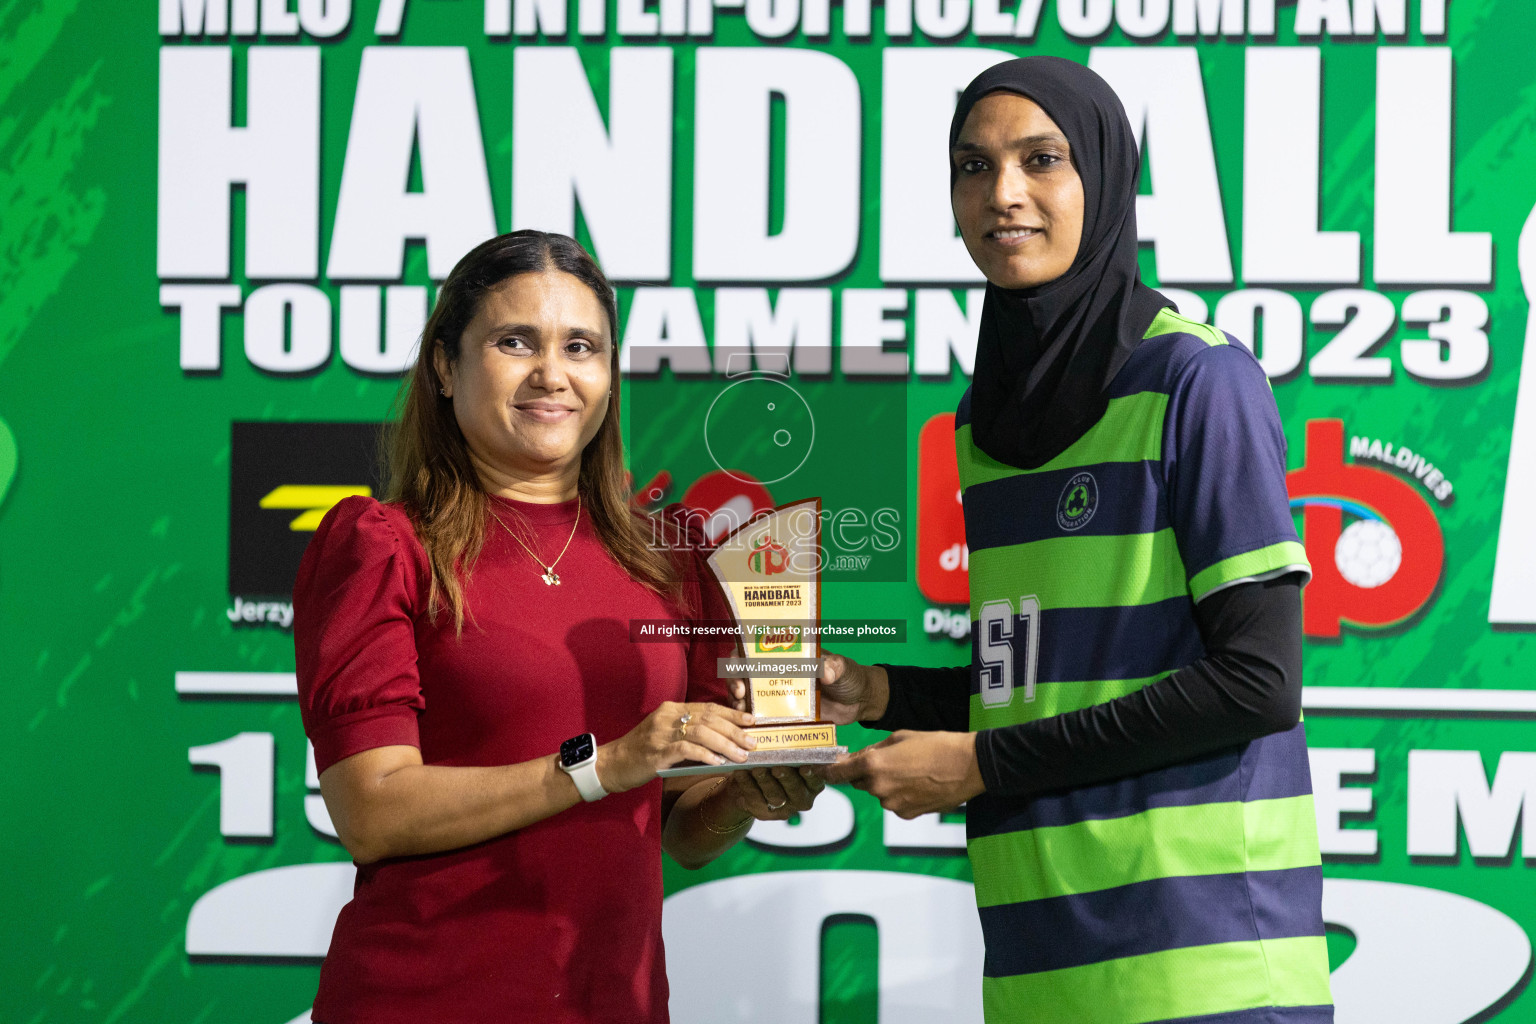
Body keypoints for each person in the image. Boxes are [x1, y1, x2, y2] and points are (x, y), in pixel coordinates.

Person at [821, 58, 1334, 1023]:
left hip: (1204, 963)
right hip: (1039, 965)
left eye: (1040, 159)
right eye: (973, 167)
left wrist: (978, 767)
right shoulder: (983, 425)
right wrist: (877, 692)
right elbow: (1041, 684)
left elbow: (1258, 681)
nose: (1002, 194)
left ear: (1103, 179)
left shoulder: (1197, 379)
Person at [293, 230, 824, 1024]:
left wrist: (750, 792)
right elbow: (371, 812)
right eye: (515, 342)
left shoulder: (670, 561)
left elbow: (685, 832)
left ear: (609, 373)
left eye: (582, 346)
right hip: (426, 999)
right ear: (445, 365)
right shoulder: (385, 546)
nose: (553, 374)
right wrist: (601, 766)